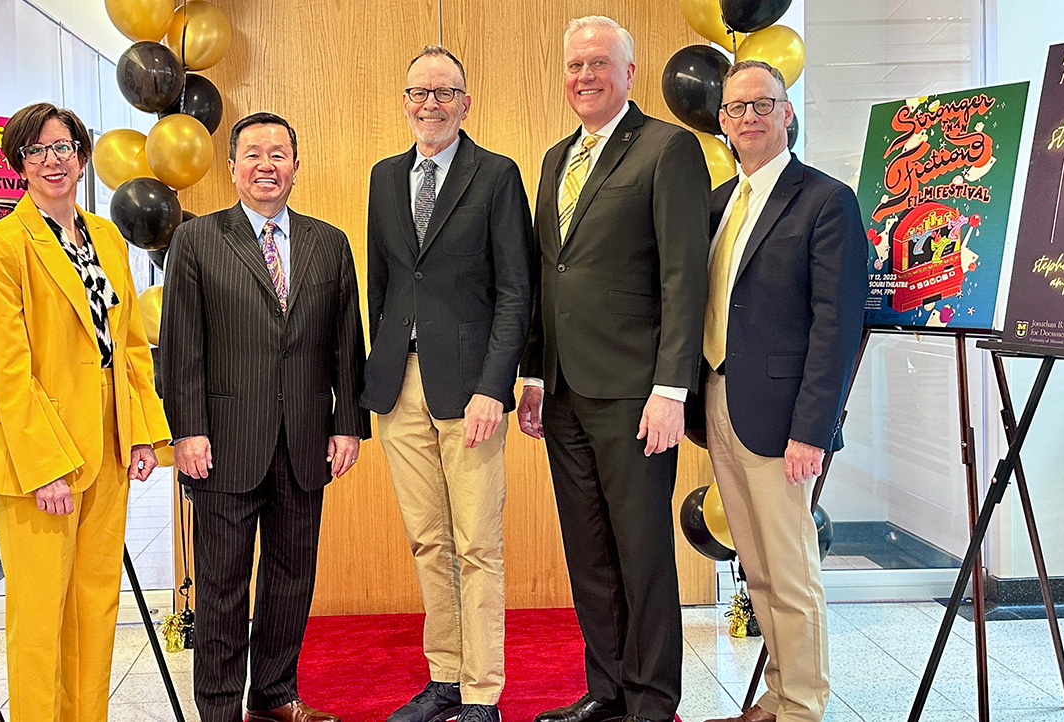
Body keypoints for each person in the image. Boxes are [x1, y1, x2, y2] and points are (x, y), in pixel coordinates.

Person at [517, 15, 710, 722]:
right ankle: (607, 693)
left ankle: (653, 703)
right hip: (565, 392)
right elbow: (549, 274)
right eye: (574, 65)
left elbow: (685, 276)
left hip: (636, 393)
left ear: (629, 73)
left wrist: (670, 388)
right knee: (589, 553)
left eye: (600, 63)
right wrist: (534, 377)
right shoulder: (553, 159)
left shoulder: (668, 148)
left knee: (643, 553)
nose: (585, 76)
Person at [160, 112, 368, 722]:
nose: (266, 165)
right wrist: (188, 430)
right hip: (223, 442)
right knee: (222, 587)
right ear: (231, 168)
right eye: (253, 154)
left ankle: (275, 695)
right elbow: (181, 345)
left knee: (290, 579)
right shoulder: (197, 240)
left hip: (305, 441)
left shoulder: (329, 243)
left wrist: (348, 422)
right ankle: (221, 708)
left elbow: (344, 342)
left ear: (297, 168)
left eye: (279, 154)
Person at [0, 102, 170, 722]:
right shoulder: (2, 244)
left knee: (94, 609)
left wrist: (142, 436)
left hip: (107, 447)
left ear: (82, 157)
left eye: (63, 148)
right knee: (38, 623)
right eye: (37, 151)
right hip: (40, 458)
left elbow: (131, 346)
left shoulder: (106, 236)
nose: (52, 161)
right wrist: (46, 466)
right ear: (20, 164)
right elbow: (10, 371)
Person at [689, 61, 866, 722]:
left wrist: (812, 430)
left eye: (763, 104)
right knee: (756, 566)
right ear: (724, 123)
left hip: (785, 418)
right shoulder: (717, 203)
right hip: (719, 403)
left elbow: (837, 325)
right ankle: (777, 696)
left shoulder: (824, 200)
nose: (749, 118)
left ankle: (804, 707)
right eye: (736, 109)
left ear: (786, 112)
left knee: (791, 573)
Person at [362, 46, 532, 722]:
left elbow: (516, 292)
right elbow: (381, 284)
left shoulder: (496, 176)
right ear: (404, 101)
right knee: (429, 541)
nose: (430, 104)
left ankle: (484, 692)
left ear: (467, 101)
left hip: (470, 393)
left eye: (445, 92)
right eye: (419, 92)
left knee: (477, 546)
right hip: (398, 389)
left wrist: (496, 386)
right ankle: (446, 681)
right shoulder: (382, 177)